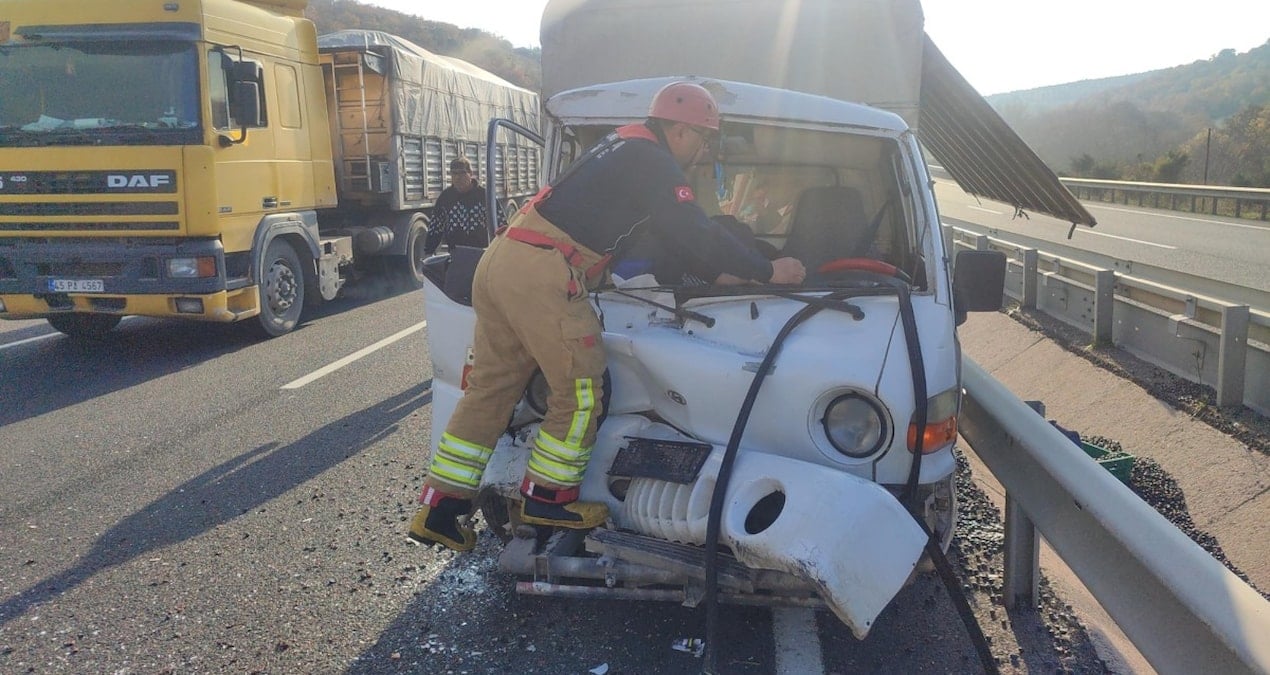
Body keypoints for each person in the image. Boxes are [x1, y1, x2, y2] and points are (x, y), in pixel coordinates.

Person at [409, 81, 806, 552]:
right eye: (703, 140)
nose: (702, 152)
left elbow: (644, 230)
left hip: (503, 260)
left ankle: (441, 508)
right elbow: (692, 230)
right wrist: (766, 269)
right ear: (680, 131)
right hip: (543, 271)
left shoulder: (619, 145)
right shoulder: (653, 160)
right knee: (580, 388)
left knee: (491, 389)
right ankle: (549, 497)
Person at [423, 157, 502, 255]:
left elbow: (501, 225)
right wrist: (428, 252)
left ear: (470, 174)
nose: (457, 177)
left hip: (482, 254)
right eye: (454, 173)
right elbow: (435, 228)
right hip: (456, 255)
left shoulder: (484, 196)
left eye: (462, 173)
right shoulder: (446, 198)